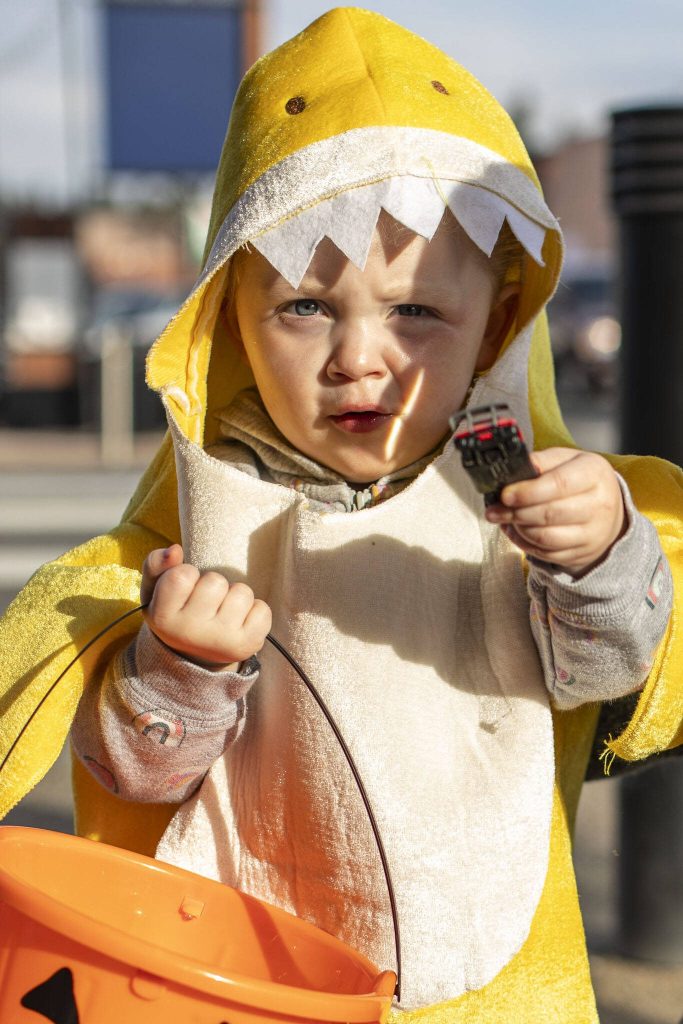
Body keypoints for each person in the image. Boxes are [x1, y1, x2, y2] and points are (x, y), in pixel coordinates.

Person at [1, 8, 682, 1021]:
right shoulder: (195, 526)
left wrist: (602, 558)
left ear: (495, 321)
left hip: (496, 988)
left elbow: (602, 676)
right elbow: (133, 774)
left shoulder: (517, 490)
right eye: (304, 307)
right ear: (228, 316)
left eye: (415, 312)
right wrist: (179, 670)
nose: (358, 357)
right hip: (242, 982)